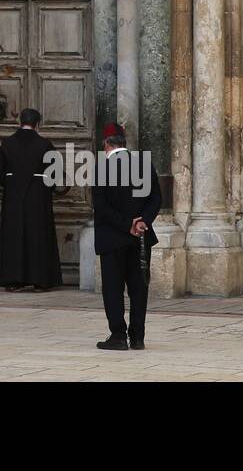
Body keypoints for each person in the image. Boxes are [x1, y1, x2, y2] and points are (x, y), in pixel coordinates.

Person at [92, 124, 162, 351]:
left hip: (113, 238)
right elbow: (156, 199)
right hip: (140, 237)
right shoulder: (143, 163)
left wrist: (126, 226)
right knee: (138, 288)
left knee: (113, 289)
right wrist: (142, 222)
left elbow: (101, 207)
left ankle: (118, 336)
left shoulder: (102, 168)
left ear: (106, 145)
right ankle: (138, 337)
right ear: (123, 143)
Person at [0, 107, 63, 292]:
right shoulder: (45, 144)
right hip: (38, 198)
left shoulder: (7, 143)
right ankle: (40, 281)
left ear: (20, 122)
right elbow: (55, 173)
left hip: (13, 199)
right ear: (37, 124)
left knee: (14, 236)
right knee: (38, 237)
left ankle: (13, 280)